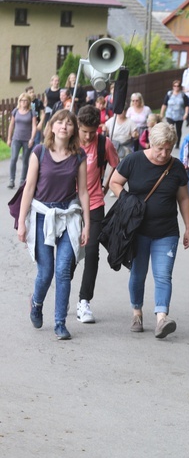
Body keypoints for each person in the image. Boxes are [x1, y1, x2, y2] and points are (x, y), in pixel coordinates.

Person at [109, 122, 189, 338]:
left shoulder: (175, 167)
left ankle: (161, 318)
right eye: (160, 149)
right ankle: (137, 312)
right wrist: (127, 200)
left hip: (167, 231)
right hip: (138, 231)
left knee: (164, 275)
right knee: (138, 274)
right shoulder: (134, 160)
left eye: (168, 148)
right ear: (150, 143)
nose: (164, 154)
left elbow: (183, 198)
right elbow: (115, 182)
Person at [16, 109, 90, 340]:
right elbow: (29, 187)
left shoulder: (79, 156)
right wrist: (21, 222)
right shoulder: (39, 152)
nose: (64, 126)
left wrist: (87, 224)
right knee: (46, 271)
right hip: (41, 215)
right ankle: (36, 304)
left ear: (73, 130)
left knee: (63, 271)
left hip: (68, 216)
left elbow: (84, 192)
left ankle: (60, 323)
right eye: (60, 122)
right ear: (52, 126)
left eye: (69, 123)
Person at [74, 105, 120, 324]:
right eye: (84, 131)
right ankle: (63, 294)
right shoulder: (70, 142)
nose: (89, 136)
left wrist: (106, 183)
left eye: (92, 131)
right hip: (70, 206)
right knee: (71, 254)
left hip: (94, 204)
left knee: (91, 252)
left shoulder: (103, 143)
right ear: (77, 127)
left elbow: (118, 167)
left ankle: (84, 301)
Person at [7, 92, 37, 189]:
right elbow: (11, 125)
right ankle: (11, 180)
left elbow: (34, 126)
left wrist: (32, 139)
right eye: (22, 100)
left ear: (28, 101)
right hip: (16, 138)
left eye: (25, 100)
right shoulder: (15, 111)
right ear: (19, 101)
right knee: (13, 158)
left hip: (27, 140)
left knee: (25, 160)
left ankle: (22, 180)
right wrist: (9, 138)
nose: (23, 102)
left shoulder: (31, 112)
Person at [160, 80, 189, 150]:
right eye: (175, 86)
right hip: (170, 115)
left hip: (180, 115)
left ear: (180, 87)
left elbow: (187, 105)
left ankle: (177, 143)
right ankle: (169, 142)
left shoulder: (183, 95)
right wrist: (162, 113)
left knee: (178, 130)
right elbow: (164, 104)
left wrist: (186, 113)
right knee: (169, 129)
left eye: (178, 86)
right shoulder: (169, 94)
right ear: (173, 87)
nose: (176, 87)